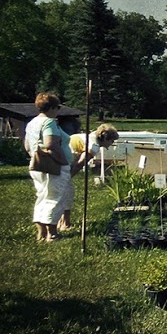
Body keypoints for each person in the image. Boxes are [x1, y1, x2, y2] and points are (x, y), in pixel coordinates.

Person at [23, 93, 72, 242]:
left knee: (42, 196)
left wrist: (35, 155)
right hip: (53, 166)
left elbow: (26, 145)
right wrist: (62, 161)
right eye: (57, 107)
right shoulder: (48, 122)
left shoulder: (32, 123)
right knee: (55, 197)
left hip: (37, 164)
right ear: (51, 107)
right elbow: (50, 144)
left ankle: (41, 232)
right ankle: (52, 233)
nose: (58, 110)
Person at [58, 124, 120, 231]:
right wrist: (69, 176)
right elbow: (80, 163)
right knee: (67, 192)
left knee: (61, 192)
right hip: (63, 160)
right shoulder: (94, 146)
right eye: (112, 141)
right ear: (106, 139)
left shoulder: (89, 136)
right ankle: (65, 223)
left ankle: (60, 221)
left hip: (60, 156)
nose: (112, 143)